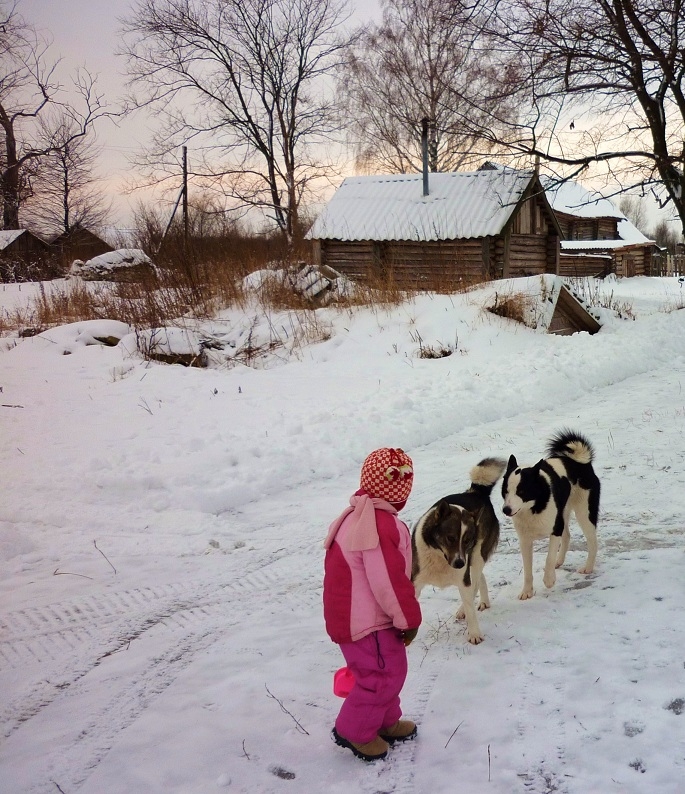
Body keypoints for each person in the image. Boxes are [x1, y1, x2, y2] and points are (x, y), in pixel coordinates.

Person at [323, 447, 422, 762]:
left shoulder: (360, 516)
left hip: (358, 618)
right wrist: (408, 619)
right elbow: (389, 582)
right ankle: (355, 731)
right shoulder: (377, 525)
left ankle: (384, 720)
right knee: (379, 676)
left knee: (390, 670)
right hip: (367, 623)